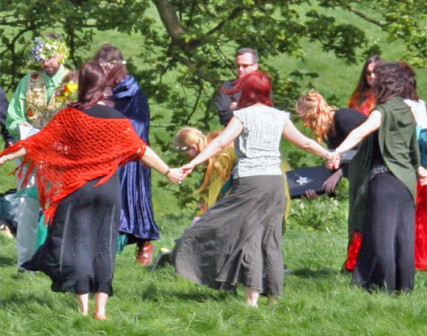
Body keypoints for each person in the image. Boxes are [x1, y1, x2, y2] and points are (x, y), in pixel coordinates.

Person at [0, 61, 183, 319]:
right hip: (107, 191)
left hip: (76, 190)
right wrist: (168, 170)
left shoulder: (69, 116)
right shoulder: (119, 120)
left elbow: (36, 143)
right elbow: (141, 150)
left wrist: (5, 157)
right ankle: (101, 311)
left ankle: (83, 309)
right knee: (103, 247)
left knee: (75, 246)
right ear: (104, 87)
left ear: (81, 85)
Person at [173, 71, 336, 307]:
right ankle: (273, 297)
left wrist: (192, 162)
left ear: (246, 91)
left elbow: (219, 142)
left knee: (247, 236)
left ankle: (251, 300)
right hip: (275, 183)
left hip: (250, 182)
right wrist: (328, 155)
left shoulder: (242, 116)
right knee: (271, 239)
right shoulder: (279, 116)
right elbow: (306, 142)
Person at [333, 61, 420, 292]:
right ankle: (403, 287)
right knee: (403, 237)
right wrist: (418, 170)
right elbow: (413, 149)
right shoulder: (406, 110)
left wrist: (337, 151)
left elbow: (360, 131)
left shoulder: (383, 111)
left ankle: (382, 286)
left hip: (385, 180)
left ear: (384, 84)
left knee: (381, 235)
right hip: (407, 182)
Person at [6, 33, 75, 271]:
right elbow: (13, 117)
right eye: (40, 58)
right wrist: (22, 127)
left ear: (61, 53)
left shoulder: (73, 81)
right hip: (30, 155)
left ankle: (57, 259)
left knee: (60, 208)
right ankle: (26, 262)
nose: (45, 63)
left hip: (61, 156)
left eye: (49, 57)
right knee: (26, 208)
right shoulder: (29, 80)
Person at [93, 44, 158, 266]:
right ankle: (104, 245)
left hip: (131, 155)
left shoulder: (133, 92)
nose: (103, 72)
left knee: (134, 197)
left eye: (106, 68)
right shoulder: (99, 89)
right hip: (103, 153)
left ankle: (145, 242)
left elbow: (137, 127)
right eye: (100, 67)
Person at [296, 90, 367, 271]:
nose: (306, 124)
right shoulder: (328, 131)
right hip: (356, 177)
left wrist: (341, 172)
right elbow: (336, 162)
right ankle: (354, 263)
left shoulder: (344, 118)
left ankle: (361, 264)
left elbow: (364, 151)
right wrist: (317, 188)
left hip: (373, 174)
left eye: (309, 118)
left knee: (364, 218)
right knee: (356, 220)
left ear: (317, 111)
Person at [174, 127, 236, 223]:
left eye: (187, 155)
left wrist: (199, 217)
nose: (189, 159)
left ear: (194, 147)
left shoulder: (218, 158)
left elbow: (211, 191)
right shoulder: (220, 143)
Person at [400, 61, 427, 270]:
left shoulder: (404, 107)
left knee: (416, 217)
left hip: (415, 166)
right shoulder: (421, 104)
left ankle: (417, 258)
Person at [216, 48, 259, 125]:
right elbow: (224, 117)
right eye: (238, 65)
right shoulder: (227, 87)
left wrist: (237, 105)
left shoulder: (262, 88)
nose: (240, 69)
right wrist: (251, 106)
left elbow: (265, 115)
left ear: (255, 66)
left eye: (245, 66)